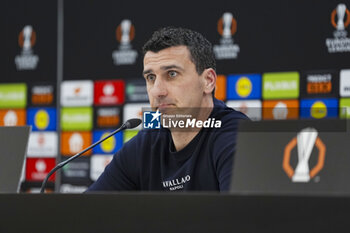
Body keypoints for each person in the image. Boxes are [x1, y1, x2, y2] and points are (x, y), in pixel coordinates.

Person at [87, 27, 248, 192]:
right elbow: (84, 212)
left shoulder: (236, 136)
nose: (157, 91)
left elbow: (242, 215)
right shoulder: (145, 143)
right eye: (151, 77)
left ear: (208, 81)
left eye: (172, 74)